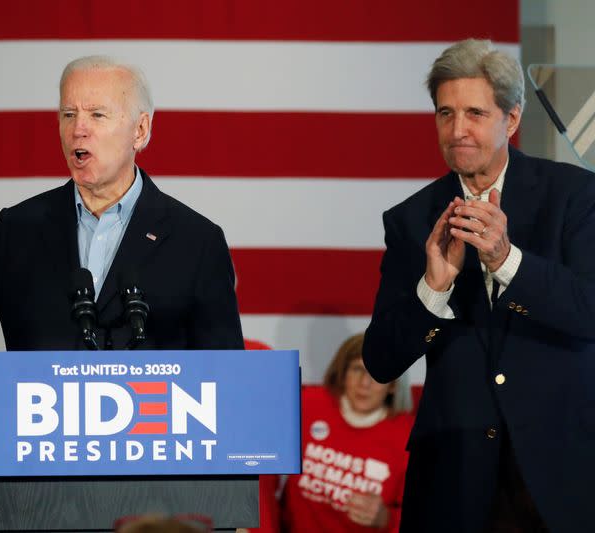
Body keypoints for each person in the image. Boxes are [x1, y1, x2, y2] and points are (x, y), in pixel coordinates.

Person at [363, 38, 595, 532]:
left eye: (475, 113)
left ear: (510, 120)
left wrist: (506, 260)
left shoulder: (574, 196)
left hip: (559, 473)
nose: (457, 130)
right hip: (454, 476)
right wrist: (433, 287)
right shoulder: (410, 220)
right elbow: (381, 361)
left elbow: (589, 311)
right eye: (445, 114)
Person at [0, 55, 243, 362]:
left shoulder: (196, 241)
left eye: (97, 115)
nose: (78, 130)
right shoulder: (19, 229)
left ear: (140, 130)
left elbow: (227, 376)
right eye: (68, 114)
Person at [254, 333, 413, 533]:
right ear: (343, 372)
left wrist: (386, 518)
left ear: (393, 385)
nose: (365, 383)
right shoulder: (308, 403)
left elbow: (426, 515)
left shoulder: (408, 436)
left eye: (377, 374)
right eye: (358, 369)